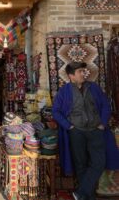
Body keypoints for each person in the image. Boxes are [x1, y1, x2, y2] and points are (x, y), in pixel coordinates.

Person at [52, 62, 119, 200]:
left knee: (99, 162)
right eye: (80, 72)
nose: (84, 74)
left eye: (84, 71)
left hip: (96, 130)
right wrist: (69, 126)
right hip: (77, 132)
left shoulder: (93, 87)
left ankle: (80, 193)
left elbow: (106, 105)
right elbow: (56, 112)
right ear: (71, 76)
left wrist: (103, 123)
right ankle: (88, 196)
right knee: (80, 164)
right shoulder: (64, 92)